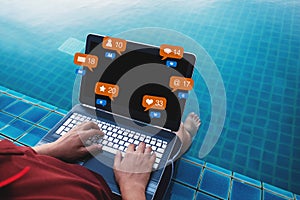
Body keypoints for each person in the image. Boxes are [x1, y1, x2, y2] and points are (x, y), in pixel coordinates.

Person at [0, 113, 200, 199]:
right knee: (173, 139)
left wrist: (51, 149)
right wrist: (133, 188)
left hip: (62, 167)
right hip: (115, 192)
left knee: (160, 135)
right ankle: (186, 138)